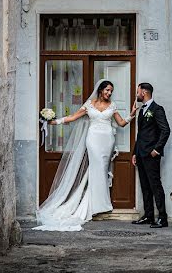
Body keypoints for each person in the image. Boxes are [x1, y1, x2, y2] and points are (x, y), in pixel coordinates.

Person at [35, 79, 135, 231]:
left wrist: (132, 114)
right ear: (101, 90)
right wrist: (53, 122)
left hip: (107, 140)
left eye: (111, 91)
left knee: (101, 170)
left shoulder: (112, 105)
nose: (109, 93)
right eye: (107, 90)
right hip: (93, 139)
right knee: (96, 169)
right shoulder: (89, 104)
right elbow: (73, 117)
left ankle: (101, 204)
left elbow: (121, 123)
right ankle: (96, 206)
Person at [130, 82, 171, 228]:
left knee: (155, 186)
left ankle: (162, 218)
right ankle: (149, 216)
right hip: (141, 154)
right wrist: (135, 152)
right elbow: (140, 134)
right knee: (145, 186)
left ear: (144, 92)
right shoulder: (141, 110)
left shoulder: (157, 109)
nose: (137, 94)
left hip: (151, 155)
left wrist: (157, 150)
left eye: (138, 92)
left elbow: (165, 130)